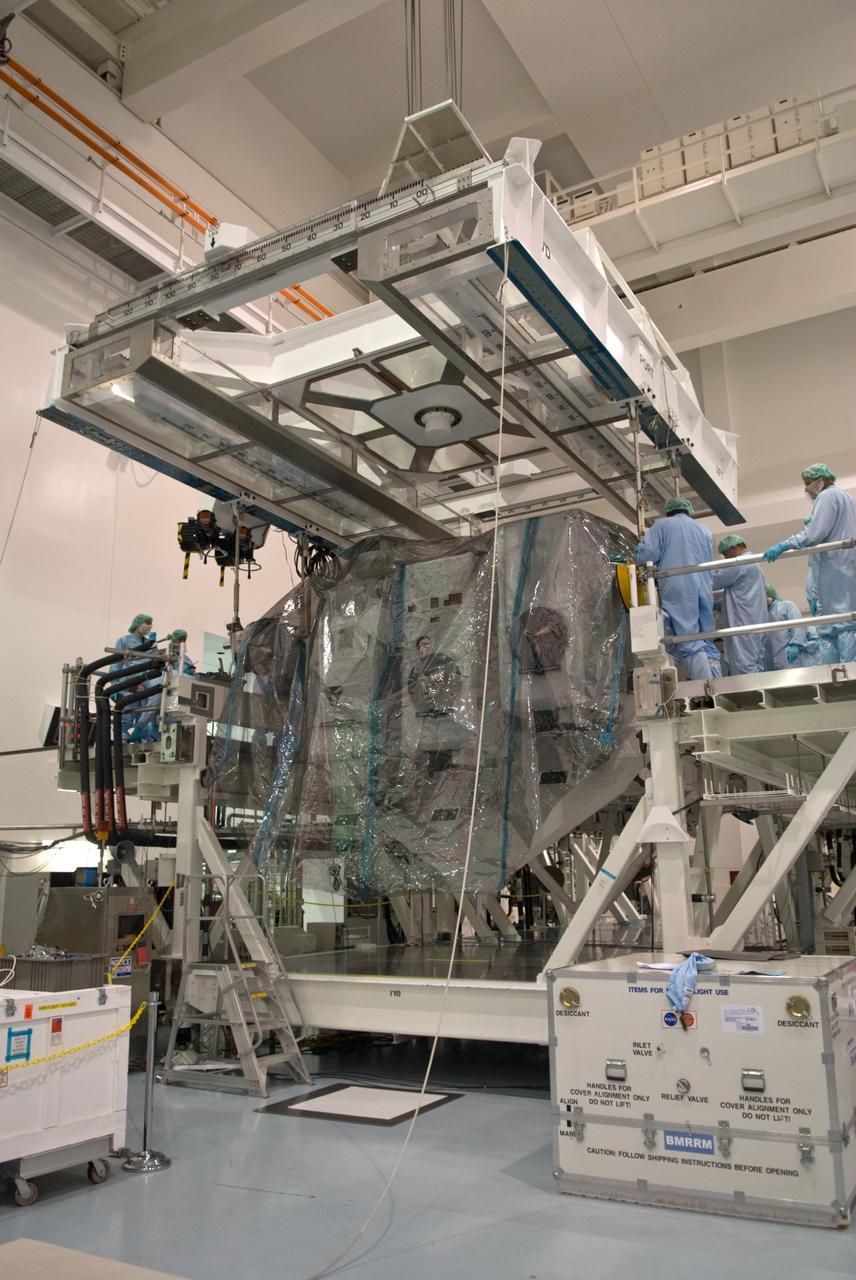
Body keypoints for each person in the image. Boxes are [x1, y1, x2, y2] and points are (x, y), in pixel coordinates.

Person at [764, 464, 856, 663]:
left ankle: (845, 673)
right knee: (837, 623)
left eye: (808, 483)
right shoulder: (845, 498)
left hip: (838, 568)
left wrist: (785, 544)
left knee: (840, 623)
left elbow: (814, 533)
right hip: (842, 568)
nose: (806, 489)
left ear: (822, 479)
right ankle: (842, 670)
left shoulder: (828, 496)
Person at [635, 497, 721, 680]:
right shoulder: (704, 529)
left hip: (679, 583)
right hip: (704, 584)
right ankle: (717, 679)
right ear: (688, 510)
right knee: (706, 635)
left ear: (668, 511)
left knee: (688, 638)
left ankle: (705, 687)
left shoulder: (662, 526)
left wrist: (637, 553)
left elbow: (650, 553)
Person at [711, 535, 768, 674]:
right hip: (754, 619)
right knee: (755, 661)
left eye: (726, 554)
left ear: (734, 548)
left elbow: (714, 580)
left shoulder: (740, 562)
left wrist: (691, 578)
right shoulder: (754, 563)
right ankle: (757, 691)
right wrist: (720, 604)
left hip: (744, 621)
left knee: (744, 663)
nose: (726, 559)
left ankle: (752, 694)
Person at [765, 583, 819, 670]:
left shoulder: (786, 605)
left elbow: (797, 625)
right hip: (777, 664)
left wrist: (795, 645)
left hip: (795, 660)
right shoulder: (763, 616)